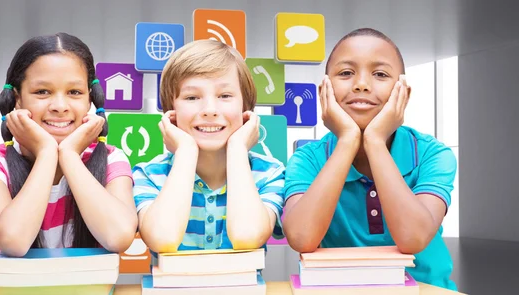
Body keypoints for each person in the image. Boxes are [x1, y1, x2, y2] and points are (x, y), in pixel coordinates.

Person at [282, 28, 458, 290]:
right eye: (345, 73)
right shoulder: (307, 159)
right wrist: (347, 141)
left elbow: (413, 238)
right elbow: (301, 238)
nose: (361, 84)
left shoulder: (433, 155)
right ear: (323, 91)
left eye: (380, 74)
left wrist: (375, 141)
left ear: (404, 94)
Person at [0, 33, 138, 295]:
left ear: (90, 100)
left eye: (74, 92)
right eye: (42, 91)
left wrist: (68, 155)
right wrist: (46, 152)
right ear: (17, 99)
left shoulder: (112, 158)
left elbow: (119, 236)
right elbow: (14, 240)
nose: (59, 105)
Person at [132, 40, 285, 260]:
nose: (210, 110)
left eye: (225, 96)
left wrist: (238, 150)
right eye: (192, 97)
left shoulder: (269, 172)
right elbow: (162, 239)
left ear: (246, 108)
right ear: (171, 112)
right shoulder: (149, 174)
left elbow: (247, 236)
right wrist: (185, 151)